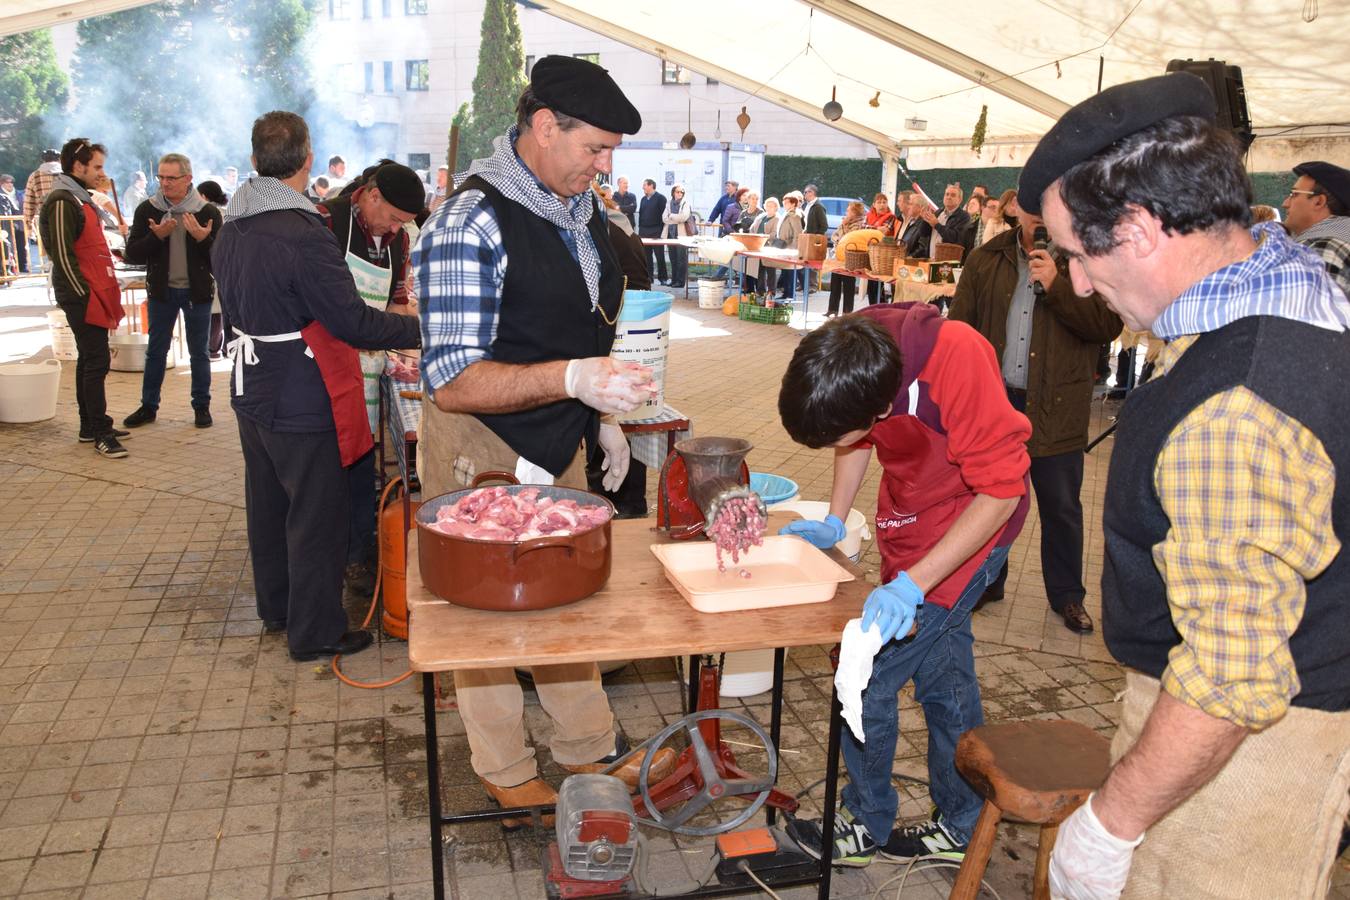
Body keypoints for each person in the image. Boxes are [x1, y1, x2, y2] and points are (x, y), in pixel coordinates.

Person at [1009, 72, 1350, 900]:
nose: (1080, 285)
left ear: (1140, 227)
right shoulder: (1297, 291)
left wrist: (1109, 822)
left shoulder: (1237, 402)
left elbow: (1233, 676)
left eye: (1082, 257)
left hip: (1245, 755)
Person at [412, 55, 677, 826]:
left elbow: (577, 321)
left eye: (610, 155)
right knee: (485, 611)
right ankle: (503, 767)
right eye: (593, 148)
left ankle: (587, 747)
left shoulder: (578, 208)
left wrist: (598, 416)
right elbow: (453, 377)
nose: (603, 168)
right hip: (478, 444)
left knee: (562, 600)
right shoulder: (469, 221)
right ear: (540, 126)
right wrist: (573, 383)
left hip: (555, 438)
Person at [779, 304, 1031, 867]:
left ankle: (866, 823)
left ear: (881, 406)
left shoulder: (958, 359)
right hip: (914, 519)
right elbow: (855, 440)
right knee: (945, 680)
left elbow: (1002, 492)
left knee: (865, 675)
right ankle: (966, 824)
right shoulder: (858, 343)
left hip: (974, 528)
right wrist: (836, 520)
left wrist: (913, 586)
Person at [212, 111, 420, 662]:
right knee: (316, 514)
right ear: (307, 160)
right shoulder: (304, 232)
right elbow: (353, 322)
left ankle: (278, 608)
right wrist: (428, 327)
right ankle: (316, 632)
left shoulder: (232, 222)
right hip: (301, 390)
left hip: (250, 383)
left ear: (256, 160)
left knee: (269, 504)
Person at [948, 196, 1121, 633]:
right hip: (997, 403)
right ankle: (988, 581)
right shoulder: (986, 258)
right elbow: (959, 328)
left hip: (1057, 406)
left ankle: (1067, 596)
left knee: (1061, 506)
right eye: (1032, 205)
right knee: (989, 498)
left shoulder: (1086, 258)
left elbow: (1107, 326)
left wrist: (1059, 285)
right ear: (1016, 210)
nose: (1040, 215)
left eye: (1052, 204)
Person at [313, 162, 423, 600]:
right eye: (394, 217)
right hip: (323, 362)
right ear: (371, 196)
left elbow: (396, 302)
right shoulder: (327, 222)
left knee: (361, 462)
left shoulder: (398, 241)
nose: (397, 228)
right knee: (324, 468)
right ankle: (325, 558)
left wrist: (421, 333)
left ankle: (357, 554)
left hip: (370, 363)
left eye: (404, 223)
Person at [39, 138, 129, 456]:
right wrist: (85, 294)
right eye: (97, 167)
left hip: (90, 291)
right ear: (78, 166)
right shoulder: (64, 200)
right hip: (81, 294)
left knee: (89, 359)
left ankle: (90, 425)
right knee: (97, 361)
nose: (101, 173)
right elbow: (62, 255)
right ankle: (101, 433)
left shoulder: (80, 197)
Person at [121, 153, 222, 431]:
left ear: (188, 178)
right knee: (156, 351)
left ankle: (201, 406)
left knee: (199, 353)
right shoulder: (148, 210)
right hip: (161, 293)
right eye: (161, 177)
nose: (165, 183)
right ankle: (148, 406)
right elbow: (132, 254)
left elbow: (221, 262)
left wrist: (204, 239)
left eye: (171, 178)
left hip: (197, 292)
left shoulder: (207, 212)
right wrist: (157, 236)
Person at [1282, 160, 1350, 295]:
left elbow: (1308, 312)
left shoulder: (1325, 247)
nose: (1285, 203)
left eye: (1294, 194)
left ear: (1319, 202)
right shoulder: (1341, 238)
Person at [197, 181, 229, 358]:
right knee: (225, 308)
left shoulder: (208, 213)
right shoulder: (228, 212)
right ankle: (226, 347)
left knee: (215, 309)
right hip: (228, 265)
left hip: (213, 264)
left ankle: (213, 348)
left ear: (203, 196)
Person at [826, 200, 867, 317]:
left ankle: (847, 313)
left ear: (854, 212)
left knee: (849, 285)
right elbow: (834, 236)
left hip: (850, 258)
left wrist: (843, 228)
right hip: (838, 257)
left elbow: (848, 238)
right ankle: (832, 309)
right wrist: (841, 235)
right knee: (835, 283)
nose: (846, 212)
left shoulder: (859, 224)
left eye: (848, 210)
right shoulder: (845, 222)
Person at [864, 193, 898, 305]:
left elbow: (884, 231)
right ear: (874, 204)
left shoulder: (891, 217)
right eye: (879, 202)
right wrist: (876, 228)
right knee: (871, 284)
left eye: (884, 202)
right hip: (870, 252)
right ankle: (873, 307)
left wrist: (871, 228)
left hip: (884, 255)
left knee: (881, 283)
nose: (882, 205)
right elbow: (861, 228)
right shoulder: (868, 215)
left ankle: (882, 306)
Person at [920, 183, 970, 258]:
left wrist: (937, 225)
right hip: (931, 258)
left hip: (948, 261)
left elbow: (955, 238)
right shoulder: (938, 213)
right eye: (947, 194)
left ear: (960, 200)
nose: (949, 197)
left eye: (953, 195)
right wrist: (925, 220)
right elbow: (923, 234)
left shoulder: (964, 216)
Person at [773, 191, 806, 300]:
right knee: (785, 271)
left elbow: (798, 233)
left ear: (793, 204)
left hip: (790, 248)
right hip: (784, 246)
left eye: (787, 202)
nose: (784, 204)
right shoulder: (787, 213)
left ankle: (790, 294)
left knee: (790, 271)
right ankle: (786, 293)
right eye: (784, 202)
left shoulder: (795, 215)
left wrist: (794, 249)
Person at [744, 196, 780, 295]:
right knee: (759, 270)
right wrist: (753, 238)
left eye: (771, 206)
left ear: (776, 207)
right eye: (767, 205)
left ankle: (771, 291)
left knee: (770, 270)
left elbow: (775, 233)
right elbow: (752, 229)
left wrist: (763, 238)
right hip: (758, 247)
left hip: (769, 247)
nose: (768, 207)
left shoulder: (777, 218)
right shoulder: (761, 216)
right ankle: (760, 291)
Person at [24, 148, 62, 241]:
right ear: (59, 159)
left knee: (51, 250)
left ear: (43, 160)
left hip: (46, 220)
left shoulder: (35, 176)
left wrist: (29, 225)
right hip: (69, 216)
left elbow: (29, 203)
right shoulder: (67, 174)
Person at [637, 177, 668, 284]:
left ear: (651, 186)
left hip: (656, 230)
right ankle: (649, 277)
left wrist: (661, 230)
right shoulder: (643, 199)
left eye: (644, 185)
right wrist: (640, 230)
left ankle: (663, 278)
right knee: (646, 256)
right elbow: (641, 214)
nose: (643, 187)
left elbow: (664, 215)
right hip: (644, 231)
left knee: (659, 256)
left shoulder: (660, 198)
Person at [661, 182, 692, 288]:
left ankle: (680, 282)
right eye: (678, 192)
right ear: (673, 192)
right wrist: (675, 218)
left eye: (682, 192)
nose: (680, 194)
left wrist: (671, 216)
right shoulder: (668, 203)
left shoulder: (685, 203)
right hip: (670, 234)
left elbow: (683, 217)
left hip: (681, 235)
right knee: (673, 259)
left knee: (681, 259)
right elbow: (664, 218)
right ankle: (674, 280)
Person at [0, 175, 27, 275]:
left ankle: (22, 265)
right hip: (5, 225)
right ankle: (10, 267)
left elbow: (20, 207)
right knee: (8, 246)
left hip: (19, 223)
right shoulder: (1, 194)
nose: (10, 184)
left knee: (21, 245)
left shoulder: (19, 193)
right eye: (7, 182)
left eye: (11, 182)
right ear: (2, 183)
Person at [897, 192, 932, 259]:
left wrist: (911, 257)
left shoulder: (925, 223)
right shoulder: (912, 221)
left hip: (914, 264)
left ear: (920, 207)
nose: (908, 206)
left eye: (911, 204)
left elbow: (923, 247)